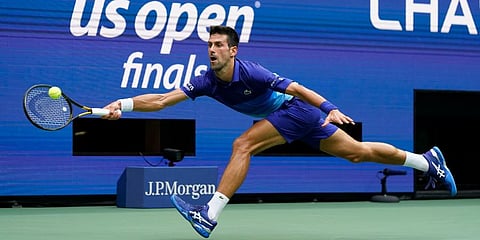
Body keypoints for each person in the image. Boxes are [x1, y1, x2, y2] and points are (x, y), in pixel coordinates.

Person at [102, 25, 457, 238]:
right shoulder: (208, 80)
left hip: (296, 109)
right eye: (208, 45)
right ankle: (426, 162)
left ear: (233, 50)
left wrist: (329, 108)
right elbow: (164, 100)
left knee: (242, 144)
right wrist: (125, 103)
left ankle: (208, 214)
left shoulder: (253, 72)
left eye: (218, 46)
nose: (211, 50)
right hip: (291, 117)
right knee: (356, 152)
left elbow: (299, 89)